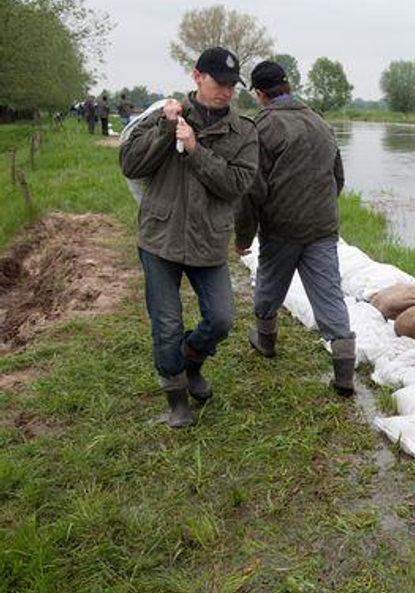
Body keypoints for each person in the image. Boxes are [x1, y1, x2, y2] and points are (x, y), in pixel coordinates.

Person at [119, 47, 259, 428]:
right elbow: (131, 164)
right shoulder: (164, 116)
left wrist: (196, 151)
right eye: (220, 83)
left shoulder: (244, 131)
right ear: (197, 76)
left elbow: (237, 184)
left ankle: (191, 361)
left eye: (233, 85)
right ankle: (176, 399)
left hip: (208, 240)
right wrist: (166, 130)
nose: (227, 92)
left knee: (221, 318)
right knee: (165, 324)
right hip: (160, 238)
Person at [234, 60, 355, 396]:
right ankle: (344, 375)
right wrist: (319, 211)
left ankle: (266, 342)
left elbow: (251, 189)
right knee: (330, 297)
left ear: (260, 94)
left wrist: (243, 237)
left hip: (281, 229)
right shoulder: (320, 122)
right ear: (287, 87)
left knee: (269, 287)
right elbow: (338, 178)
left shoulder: (261, 127)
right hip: (322, 228)